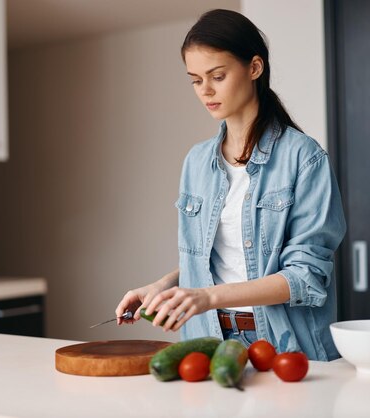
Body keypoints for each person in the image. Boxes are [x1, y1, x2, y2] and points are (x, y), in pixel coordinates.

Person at [115, 9, 346, 361]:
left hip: (283, 345)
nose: (205, 90)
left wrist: (207, 296)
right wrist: (164, 287)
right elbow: (223, 257)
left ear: (254, 68)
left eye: (217, 76)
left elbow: (306, 277)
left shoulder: (304, 157)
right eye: (195, 80)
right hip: (207, 340)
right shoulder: (197, 162)